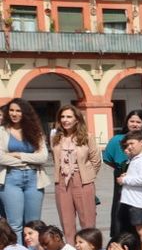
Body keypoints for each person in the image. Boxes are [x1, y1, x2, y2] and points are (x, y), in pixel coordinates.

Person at [50, 105, 100, 238]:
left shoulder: (87, 137)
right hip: (61, 182)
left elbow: (96, 160)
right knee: (67, 222)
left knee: (87, 222)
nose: (65, 120)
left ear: (77, 120)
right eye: (62, 117)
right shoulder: (55, 138)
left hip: (82, 181)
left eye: (69, 117)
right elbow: (55, 160)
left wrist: (87, 175)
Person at [0, 98, 49, 228]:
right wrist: (29, 160)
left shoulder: (35, 131)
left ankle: (32, 249)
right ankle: (17, 249)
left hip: (34, 179)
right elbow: (1, 158)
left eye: (18, 111)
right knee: (15, 224)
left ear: (25, 113)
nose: (14, 114)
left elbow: (43, 157)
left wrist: (19, 155)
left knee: (33, 223)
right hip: (10, 179)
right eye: (11, 110)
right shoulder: (2, 131)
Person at [101, 110, 142, 237]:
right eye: (132, 121)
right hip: (121, 175)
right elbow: (108, 159)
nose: (135, 124)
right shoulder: (116, 139)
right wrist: (122, 169)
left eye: (138, 122)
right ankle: (120, 236)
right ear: (127, 122)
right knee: (120, 207)